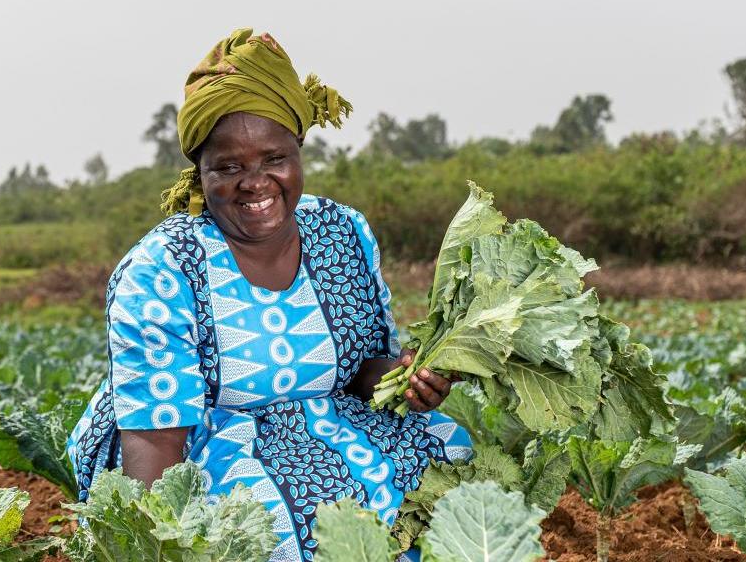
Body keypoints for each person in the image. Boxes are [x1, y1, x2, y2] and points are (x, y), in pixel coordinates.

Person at [66, 28, 471, 562]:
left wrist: (407, 377)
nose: (254, 183)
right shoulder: (164, 267)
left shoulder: (340, 231)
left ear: (298, 151)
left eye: (273, 159)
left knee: (453, 459)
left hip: (325, 421)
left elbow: (364, 367)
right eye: (228, 167)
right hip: (199, 442)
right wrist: (153, 542)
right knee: (276, 520)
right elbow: (157, 440)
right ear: (200, 173)